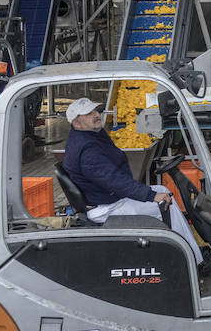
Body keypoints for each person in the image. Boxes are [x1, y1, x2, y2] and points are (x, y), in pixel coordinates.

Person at [62, 97, 203, 264]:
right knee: (166, 204)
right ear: (76, 123)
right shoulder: (87, 151)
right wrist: (150, 195)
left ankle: (187, 252)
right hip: (106, 207)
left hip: (108, 197)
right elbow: (114, 180)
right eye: (88, 114)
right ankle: (192, 260)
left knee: (163, 192)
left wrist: (151, 193)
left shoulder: (92, 135)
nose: (96, 115)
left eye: (95, 111)